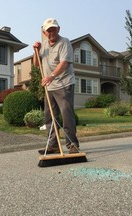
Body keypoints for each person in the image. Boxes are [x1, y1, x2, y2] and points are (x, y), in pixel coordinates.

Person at [33, 18, 80, 154]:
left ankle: (72, 145)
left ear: (58, 29)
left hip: (64, 84)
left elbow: (64, 63)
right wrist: (35, 51)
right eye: (49, 30)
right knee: (49, 116)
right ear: (45, 32)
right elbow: (37, 64)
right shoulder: (44, 45)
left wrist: (51, 76)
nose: (52, 32)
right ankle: (53, 145)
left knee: (66, 114)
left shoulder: (64, 42)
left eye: (54, 29)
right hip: (50, 86)